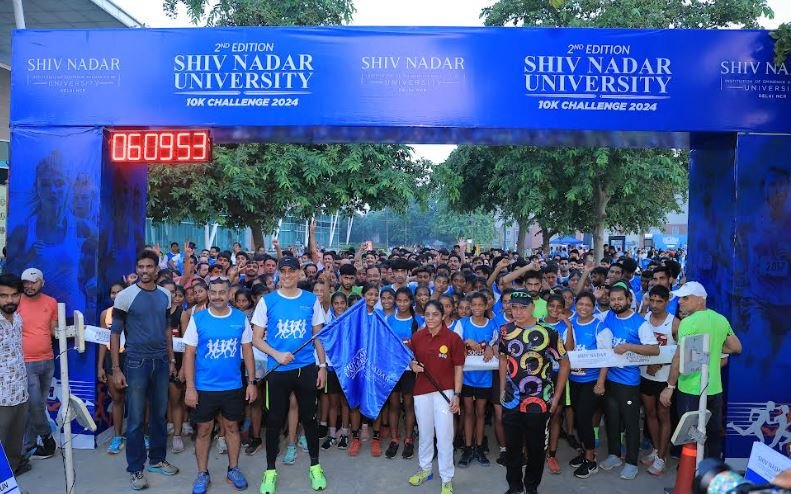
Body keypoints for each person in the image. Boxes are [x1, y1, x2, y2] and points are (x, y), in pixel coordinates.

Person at [251, 256, 328, 494]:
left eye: (291, 271)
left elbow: (317, 337)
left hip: (305, 369)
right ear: (278, 274)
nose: (286, 275)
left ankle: (315, 466)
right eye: (282, 271)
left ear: (298, 274)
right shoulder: (267, 301)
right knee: (274, 421)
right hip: (277, 370)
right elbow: (255, 338)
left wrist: (322, 366)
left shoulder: (310, 300)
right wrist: (277, 353)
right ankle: (270, 471)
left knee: (309, 419)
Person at [111, 250, 180, 490]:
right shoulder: (125, 297)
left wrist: (171, 360)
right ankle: (136, 469)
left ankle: (157, 460)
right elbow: (115, 334)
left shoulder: (164, 296)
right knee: (136, 419)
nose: (144, 271)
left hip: (161, 361)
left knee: (160, 416)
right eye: (140, 266)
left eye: (149, 266)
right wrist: (116, 368)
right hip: (135, 362)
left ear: (156, 269)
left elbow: (166, 330)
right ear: (136, 268)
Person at [183, 278, 257, 494]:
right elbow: (189, 355)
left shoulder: (239, 318)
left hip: (233, 386)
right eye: (213, 292)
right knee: (204, 430)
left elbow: (248, 351)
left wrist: (251, 382)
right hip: (204, 387)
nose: (217, 296)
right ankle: (202, 473)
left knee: (233, 428)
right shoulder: (198, 319)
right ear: (208, 293)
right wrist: (190, 387)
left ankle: (233, 469)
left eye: (222, 292)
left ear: (229, 295)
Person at [660, 281, 742, 459]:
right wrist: (713, 349)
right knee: (712, 433)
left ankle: (694, 467)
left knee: (690, 431)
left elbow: (679, 358)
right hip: (715, 389)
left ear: (700, 300)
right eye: (680, 298)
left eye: (685, 298)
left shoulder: (688, 322)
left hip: (691, 389)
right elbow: (736, 347)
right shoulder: (721, 319)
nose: (680, 302)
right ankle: (708, 471)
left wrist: (670, 387)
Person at [499, 290, 569, 494]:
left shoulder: (548, 332)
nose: (518, 312)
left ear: (532, 308)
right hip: (512, 400)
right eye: (514, 307)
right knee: (512, 448)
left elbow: (564, 364)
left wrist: (556, 397)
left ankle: (531, 487)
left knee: (536, 448)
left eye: (523, 307)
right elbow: (503, 358)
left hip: (539, 400)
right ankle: (514, 487)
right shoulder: (505, 330)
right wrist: (503, 387)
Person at [594, 282, 659, 480]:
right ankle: (614, 455)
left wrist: (629, 346)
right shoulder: (608, 316)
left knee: (631, 424)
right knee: (612, 420)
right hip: (610, 379)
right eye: (612, 299)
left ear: (629, 300)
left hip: (629, 382)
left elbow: (654, 349)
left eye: (620, 299)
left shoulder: (640, 323)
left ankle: (631, 462)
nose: (616, 302)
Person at [407, 300, 464, 494]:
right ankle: (425, 470)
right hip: (421, 392)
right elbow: (409, 360)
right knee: (424, 433)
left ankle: (446, 478)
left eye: (435, 315)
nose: (430, 318)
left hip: (445, 392)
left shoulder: (453, 338)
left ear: (443, 316)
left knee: (444, 436)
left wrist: (456, 394)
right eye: (427, 314)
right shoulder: (417, 336)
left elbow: (458, 369)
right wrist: (412, 366)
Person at [18, 268, 58, 460]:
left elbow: (53, 331)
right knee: (34, 404)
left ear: (42, 282)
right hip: (25, 362)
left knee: (37, 406)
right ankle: (47, 439)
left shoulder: (51, 302)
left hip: (48, 360)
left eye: (33, 282)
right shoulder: (15, 301)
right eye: (26, 282)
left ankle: (29, 446)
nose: (29, 286)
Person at [639, 285, 678, 476]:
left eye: (659, 301)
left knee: (664, 416)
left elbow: (681, 352)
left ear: (667, 302)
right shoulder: (644, 318)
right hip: (645, 375)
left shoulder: (674, 323)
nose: (654, 304)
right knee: (650, 413)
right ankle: (656, 450)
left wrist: (660, 364)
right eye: (651, 300)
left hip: (664, 378)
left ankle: (662, 458)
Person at [457, 292, 498, 468]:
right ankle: (467, 447)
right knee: (468, 411)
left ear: (486, 306)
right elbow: (455, 343)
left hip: (484, 378)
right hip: (466, 377)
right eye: (474, 305)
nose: (477, 308)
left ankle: (479, 447)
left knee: (480, 412)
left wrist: (492, 346)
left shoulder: (492, 325)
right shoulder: (463, 323)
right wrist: (466, 341)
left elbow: (497, 344)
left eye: (480, 305)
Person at [0, 274, 31, 476]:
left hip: (20, 392)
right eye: (3, 296)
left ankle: (10, 484)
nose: (9, 300)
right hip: (1, 398)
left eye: (14, 295)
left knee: (13, 447)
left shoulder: (18, 319)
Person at [97, 281, 128, 455]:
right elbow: (103, 341)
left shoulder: (133, 311)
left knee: (140, 399)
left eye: (119, 292)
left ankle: (144, 435)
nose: (116, 295)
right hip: (111, 358)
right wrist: (100, 366)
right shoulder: (105, 314)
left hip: (131, 358)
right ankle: (118, 436)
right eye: (113, 292)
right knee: (117, 399)